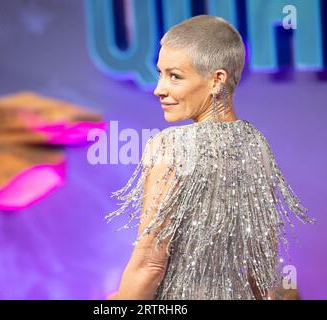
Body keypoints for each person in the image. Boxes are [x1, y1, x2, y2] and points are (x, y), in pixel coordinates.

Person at [105, 15, 315, 300]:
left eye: (174, 76)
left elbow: (149, 265)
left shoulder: (172, 146)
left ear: (217, 80)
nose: (159, 89)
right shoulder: (257, 145)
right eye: (160, 73)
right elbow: (262, 268)